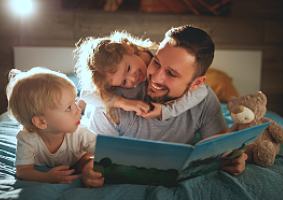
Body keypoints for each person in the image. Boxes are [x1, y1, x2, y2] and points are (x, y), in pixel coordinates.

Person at [80, 25, 248, 187]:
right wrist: (88, 166)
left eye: (171, 73)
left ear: (196, 83)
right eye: (156, 63)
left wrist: (233, 158)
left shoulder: (204, 101)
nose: (155, 78)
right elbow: (91, 152)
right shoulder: (113, 94)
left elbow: (220, 147)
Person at [74, 31, 209, 122]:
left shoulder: (162, 56)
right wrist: (122, 102)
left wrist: (166, 111)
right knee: (93, 104)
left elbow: (202, 90)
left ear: (129, 48)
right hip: (94, 114)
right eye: (124, 82)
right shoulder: (115, 83)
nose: (132, 79)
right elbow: (86, 93)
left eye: (128, 69)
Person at [6, 67, 98, 184]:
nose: (78, 109)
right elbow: (23, 171)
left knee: (89, 161)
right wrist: (47, 177)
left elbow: (105, 152)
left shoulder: (80, 133)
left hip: (79, 160)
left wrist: (89, 167)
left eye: (75, 101)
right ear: (41, 122)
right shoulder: (27, 138)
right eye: (69, 107)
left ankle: (87, 174)